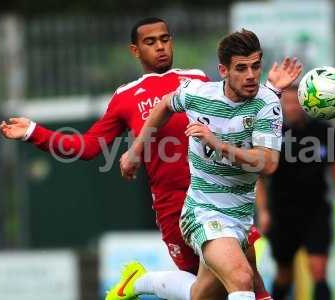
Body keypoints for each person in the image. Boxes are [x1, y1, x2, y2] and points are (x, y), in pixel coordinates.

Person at [0, 18, 300, 298]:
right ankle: (141, 282)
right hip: (179, 203)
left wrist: (270, 91)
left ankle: (139, 281)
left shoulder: (195, 79)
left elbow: (236, 110)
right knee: (234, 280)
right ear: (135, 50)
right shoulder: (126, 97)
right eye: (151, 41)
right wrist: (34, 133)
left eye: (165, 39)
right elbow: (89, 146)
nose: (160, 47)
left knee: (225, 286)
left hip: (229, 197)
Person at [113, 28, 297, 300]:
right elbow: (164, 106)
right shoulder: (198, 94)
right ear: (223, 71)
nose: (250, 76)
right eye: (241, 68)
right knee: (242, 277)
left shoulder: (268, 101)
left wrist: (218, 144)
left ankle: (139, 282)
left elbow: (267, 163)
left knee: (201, 294)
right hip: (203, 211)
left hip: (241, 218)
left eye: (255, 67)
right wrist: (136, 150)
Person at [258, 85, 335, 300]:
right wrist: (263, 211)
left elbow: (334, 162)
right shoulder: (273, 134)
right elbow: (260, 177)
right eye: (287, 102)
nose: (292, 107)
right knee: (285, 275)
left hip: (316, 210)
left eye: (296, 102)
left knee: (318, 269)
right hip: (283, 212)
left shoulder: (324, 130)